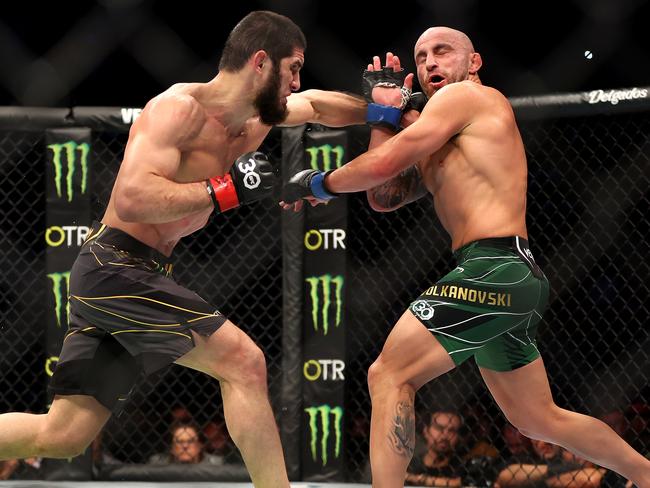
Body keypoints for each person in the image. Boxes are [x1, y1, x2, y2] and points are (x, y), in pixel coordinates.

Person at [0, 10, 366, 488]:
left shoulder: (256, 119)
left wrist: (384, 112)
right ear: (260, 62)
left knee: (63, 433)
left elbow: (317, 106)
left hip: (132, 274)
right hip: (115, 266)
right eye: (293, 67)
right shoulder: (178, 110)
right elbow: (133, 197)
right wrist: (225, 190)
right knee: (244, 362)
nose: (297, 82)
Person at [280, 26, 650, 488]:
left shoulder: (468, 99)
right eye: (420, 57)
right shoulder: (442, 128)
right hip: (510, 276)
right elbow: (384, 193)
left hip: (493, 267)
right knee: (539, 420)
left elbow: (385, 163)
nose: (430, 62)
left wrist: (318, 182)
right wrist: (381, 115)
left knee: (389, 373)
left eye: (442, 52)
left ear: (473, 63)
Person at [405, 410, 468, 487]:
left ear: (458, 437)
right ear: (426, 431)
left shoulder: (463, 470)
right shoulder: (409, 465)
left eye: (452, 431)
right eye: (439, 428)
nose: (445, 436)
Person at [149, 420, 222, 466]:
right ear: (171, 447)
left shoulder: (215, 465)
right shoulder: (158, 465)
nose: (185, 446)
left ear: (200, 445)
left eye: (190, 441)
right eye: (179, 441)